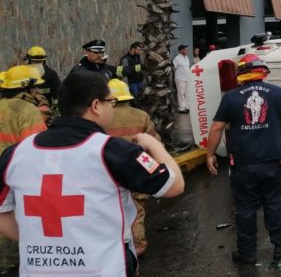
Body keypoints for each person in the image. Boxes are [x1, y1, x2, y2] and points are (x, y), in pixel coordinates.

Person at [0, 71, 184, 276]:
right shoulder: (112, 151)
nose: (112, 109)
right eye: (110, 102)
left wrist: (45, 244)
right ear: (96, 106)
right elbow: (173, 185)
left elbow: (2, 214)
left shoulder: (15, 154)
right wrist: (154, 145)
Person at [206, 54, 281, 264]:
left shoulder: (230, 97)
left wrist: (210, 154)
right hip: (273, 160)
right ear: (262, 71)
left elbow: (217, 128)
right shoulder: (278, 93)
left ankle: (247, 252)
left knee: (245, 208)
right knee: (274, 202)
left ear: (241, 74)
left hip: (243, 163)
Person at [105, 79, 162, 257]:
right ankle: (138, 246)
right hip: (137, 171)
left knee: (113, 212)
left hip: (111, 173)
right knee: (136, 211)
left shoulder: (103, 118)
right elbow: (155, 142)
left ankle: (117, 245)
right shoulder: (141, 115)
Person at [0, 66, 47, 274]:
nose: (38, 92)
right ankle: (9, 266)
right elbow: (37, 149)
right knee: (11, 219)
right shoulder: (26, 111)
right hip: (13, 174)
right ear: (26, 88)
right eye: (35, 88)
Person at [173, 45, 190, 113]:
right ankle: (182, 108)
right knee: (181, 94)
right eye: (185, 49)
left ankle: (187, 106)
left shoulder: (186, 57)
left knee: (187, 93)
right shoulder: (177, 58)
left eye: (186, 49)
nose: (186, 50)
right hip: (180, 79)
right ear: (180, 50)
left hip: (187, 78)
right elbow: (173, 68)